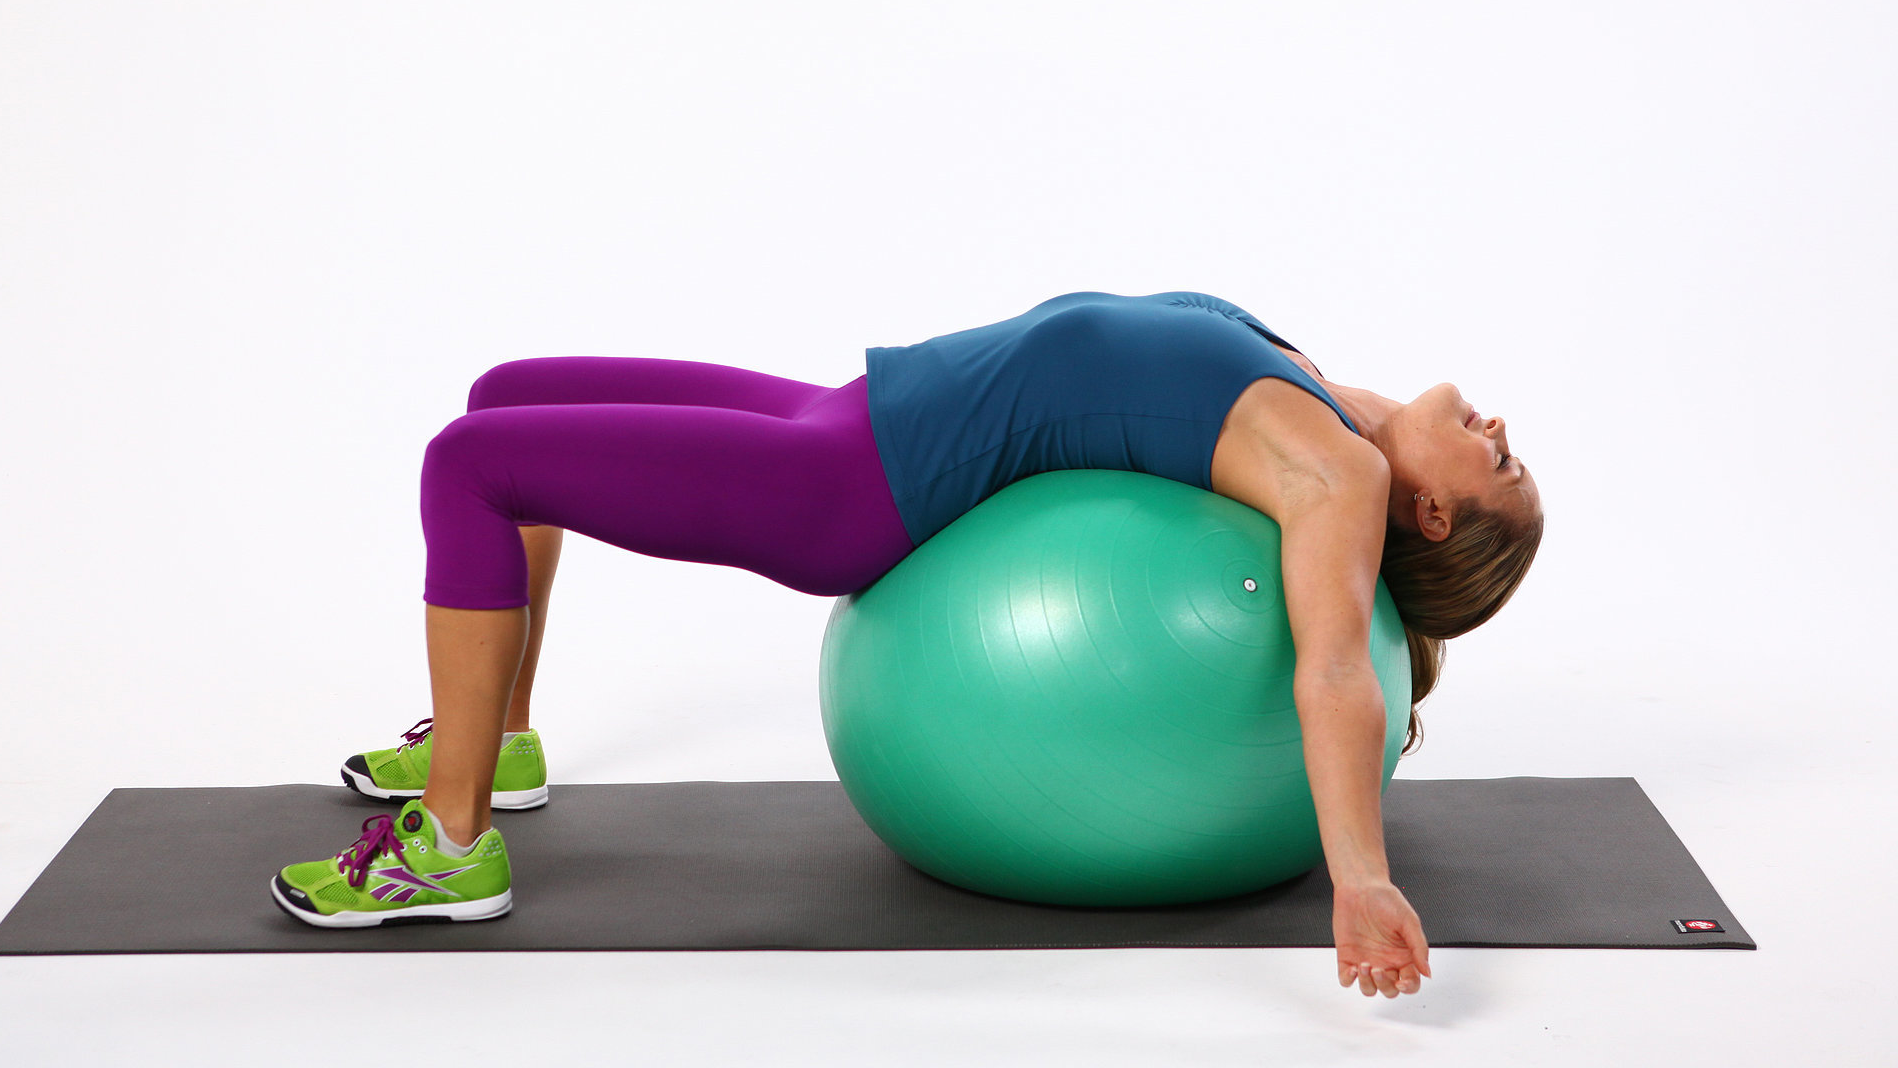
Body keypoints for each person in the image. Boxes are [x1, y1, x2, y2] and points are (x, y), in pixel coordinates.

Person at [270, 291, 1543, 997]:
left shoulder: (1336, 479)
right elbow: (1406, 470)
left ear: (1427, 512)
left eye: (1499, 461)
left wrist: (1357, 877)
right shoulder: (1350, 418)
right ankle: (501, 738)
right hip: (853, 411)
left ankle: (446, 846)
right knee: (507, 396)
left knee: (468, 465)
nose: (1493, 422)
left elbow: (1330, 669)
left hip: (849, 490)